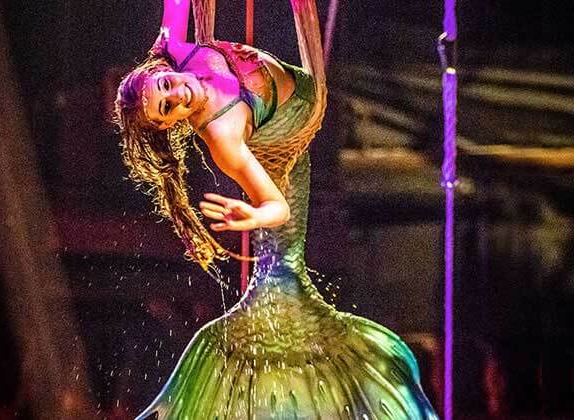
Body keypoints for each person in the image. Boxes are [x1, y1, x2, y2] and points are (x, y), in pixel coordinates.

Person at [114, 0, 438, 418]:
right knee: (284, 280)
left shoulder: (176, 49)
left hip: (287, 114)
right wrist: (251, 216)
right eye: (167, 108)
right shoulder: (224, 137)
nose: (177, 94)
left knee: (284, 279)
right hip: (285, 138)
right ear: (169, 124)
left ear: (159, 71)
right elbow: (276, 207)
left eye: (165, 87)